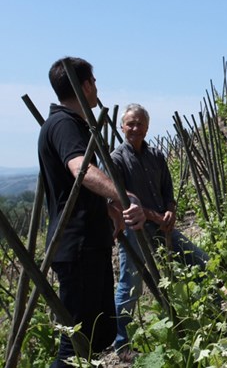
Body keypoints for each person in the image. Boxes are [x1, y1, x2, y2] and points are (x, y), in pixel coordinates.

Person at [39, 57, 145, 367]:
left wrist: (109, 208)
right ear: (85, 85)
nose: (96, 87)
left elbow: (80, 187)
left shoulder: (71, 124)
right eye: (94, 81)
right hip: (77, 247)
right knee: (74, 345)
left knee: (98, 335)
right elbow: (80, 170)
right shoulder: (63, 124)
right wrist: (123, 196)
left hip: (88, 244)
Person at [111, 103, 210, 352]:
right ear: (122, 127)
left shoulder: (156, 155)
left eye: (140, 123)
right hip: (135, 230)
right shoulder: (115, 160)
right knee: (131, 285)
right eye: (130, 123)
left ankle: (214, 317)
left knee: (201, 262)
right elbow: (119, 199)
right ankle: (122, 344)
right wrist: (157, 216)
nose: (135, 128)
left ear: (147, 127)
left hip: (162, 226)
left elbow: (168, 190)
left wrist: (171, 212)